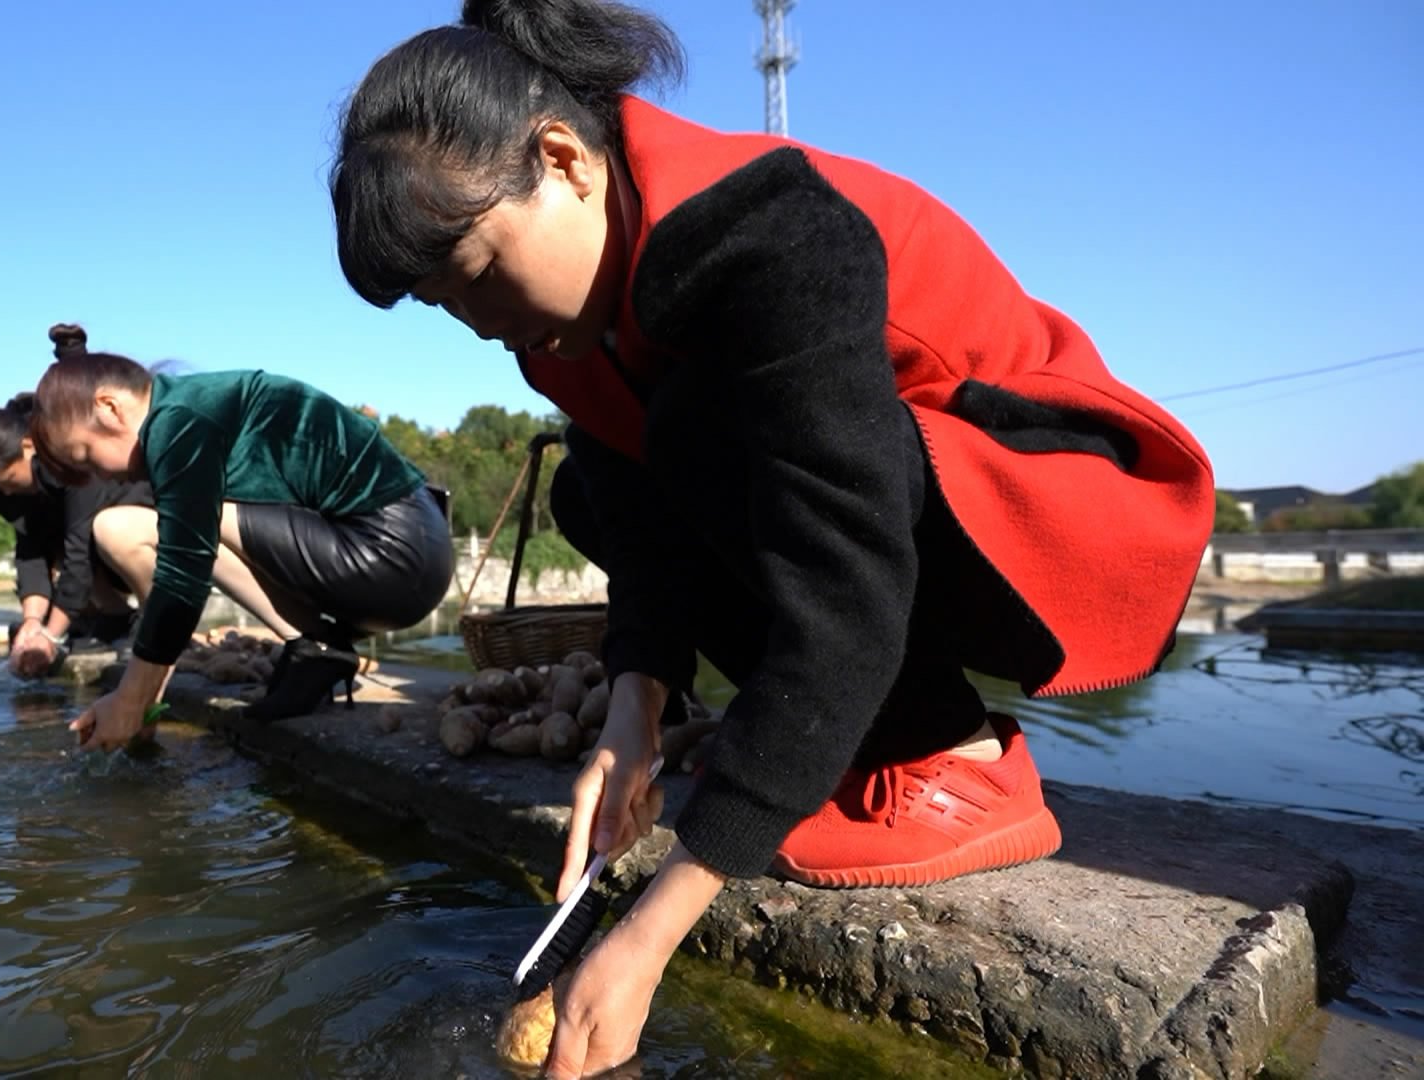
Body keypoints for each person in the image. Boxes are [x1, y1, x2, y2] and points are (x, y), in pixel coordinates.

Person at [330, 2, 1215, 1075]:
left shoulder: (764, 234)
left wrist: (648, 935)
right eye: (438, 302)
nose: (472, 318)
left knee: (703, 428)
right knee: (592, 492)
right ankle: (840, 747)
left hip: (1064, 508)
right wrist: (632, 718)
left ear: (561, 160)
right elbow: (648, 537)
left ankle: (956, 762)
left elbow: (839, 569)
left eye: (472, 269)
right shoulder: (557, 334)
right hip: (892, 511)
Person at [29, 324, 454, 739]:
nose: (101, 474)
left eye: (86, 455)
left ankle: (316, 646)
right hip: (402, 550)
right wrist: (146, 689)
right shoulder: (186, 407)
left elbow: (184, 573)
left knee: (176, 526)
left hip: (397, 553)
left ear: (109, 406)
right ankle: (313, 648)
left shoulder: (177, 423)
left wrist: (130, 697)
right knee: (125, 525)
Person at [0, 394, 156, 677]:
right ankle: (117, 617)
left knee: (101, 532)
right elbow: (30, 547)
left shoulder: (72, 460)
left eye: (9, 481)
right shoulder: (13, 489)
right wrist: (32, 621)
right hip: (96, 545)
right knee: (59, 537)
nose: (8, 492)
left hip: (152, 534)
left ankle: (156, 621)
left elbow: (79, 555)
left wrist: (51, 637)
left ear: (27, 446)